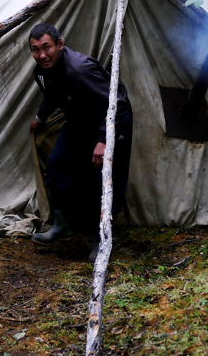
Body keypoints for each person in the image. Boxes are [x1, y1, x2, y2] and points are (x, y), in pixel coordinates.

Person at [27, 23, 133, 254]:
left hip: (112, 121)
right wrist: (40, 118)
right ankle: (63, 225)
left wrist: (104, 139)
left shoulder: (81, 69)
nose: (42, 55)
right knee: (57, 166)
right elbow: (52, 94)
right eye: (36, 49)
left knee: (103, 180)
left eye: (47, 47)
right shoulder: (45, 69)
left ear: (60, 45)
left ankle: (101, 238)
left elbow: (117, 102)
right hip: (79, 121)